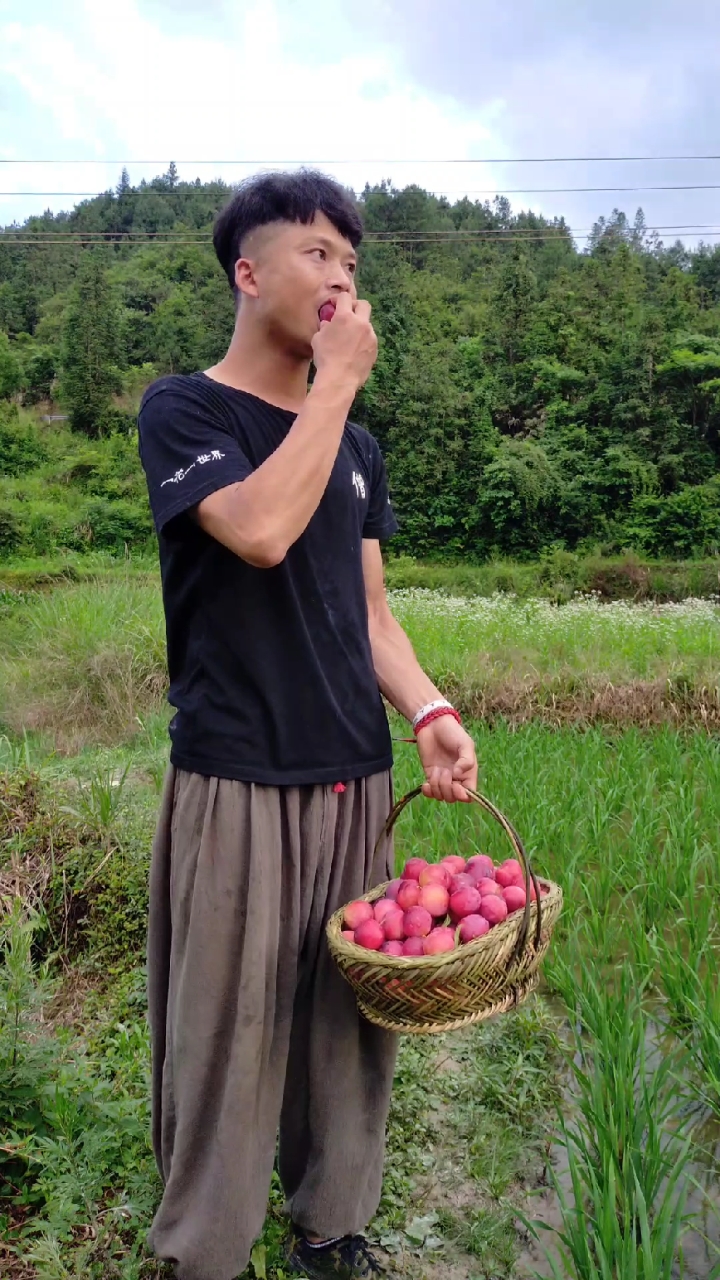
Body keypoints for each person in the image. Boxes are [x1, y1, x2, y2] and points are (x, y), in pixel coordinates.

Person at [137, 169, 478, 1280]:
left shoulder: (359, 449)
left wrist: (426, 707)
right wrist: (332, 385)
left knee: (349, 1031)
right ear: (249, 272)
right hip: (238, 772)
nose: (340, 275)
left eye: (351, 261)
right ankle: (206, 1252)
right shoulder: (185, 410)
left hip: (352, 774)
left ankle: (332, 1226)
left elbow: (368, 607)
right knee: (229, 1036)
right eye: (316, 254)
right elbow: (260, 531)